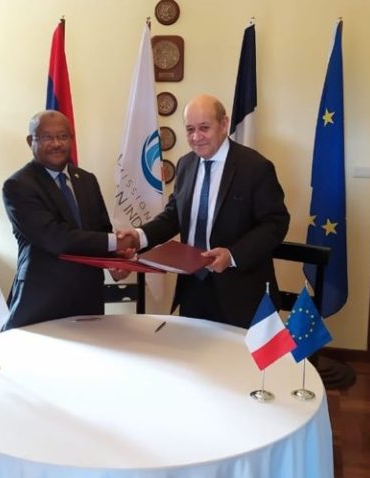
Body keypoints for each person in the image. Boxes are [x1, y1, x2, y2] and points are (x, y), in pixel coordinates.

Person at [119, 94, 289, 328]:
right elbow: (173, 216)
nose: (196, 137)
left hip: (240, 291)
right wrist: (139, 236)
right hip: (193, 287)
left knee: (236, 353)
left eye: (204, 128)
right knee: (192, 347)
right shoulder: (185, 164)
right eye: (190, 129)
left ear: (224, 124)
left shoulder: (255, 167)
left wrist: (232, 256)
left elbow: (275, 224)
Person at [2, 110, 132, 329]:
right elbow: (56, 238)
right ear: (30, 141)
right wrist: (116, 242)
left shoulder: (87, 180)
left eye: (63, 136)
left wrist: (114, 260)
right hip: (42, 298)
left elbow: (101, 230)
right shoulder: (18, 185)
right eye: (47, 137)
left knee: (90, 349)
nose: (56, 144)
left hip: (88, 296)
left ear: (71, 139)